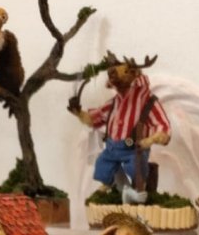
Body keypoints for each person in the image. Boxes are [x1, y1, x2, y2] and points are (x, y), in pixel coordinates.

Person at [71, 55, 170, 191]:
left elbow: (162, 125)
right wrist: (79, 113)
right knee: (103, 164)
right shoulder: (114, 102)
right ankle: (108, 183)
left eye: (123, 71)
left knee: (136, 167)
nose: (113, 74)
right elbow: (95, 118)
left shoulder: (147, 101)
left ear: (134, 74)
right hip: (111, 148)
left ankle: (140, 187)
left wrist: (151, 139)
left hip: (134, 148)